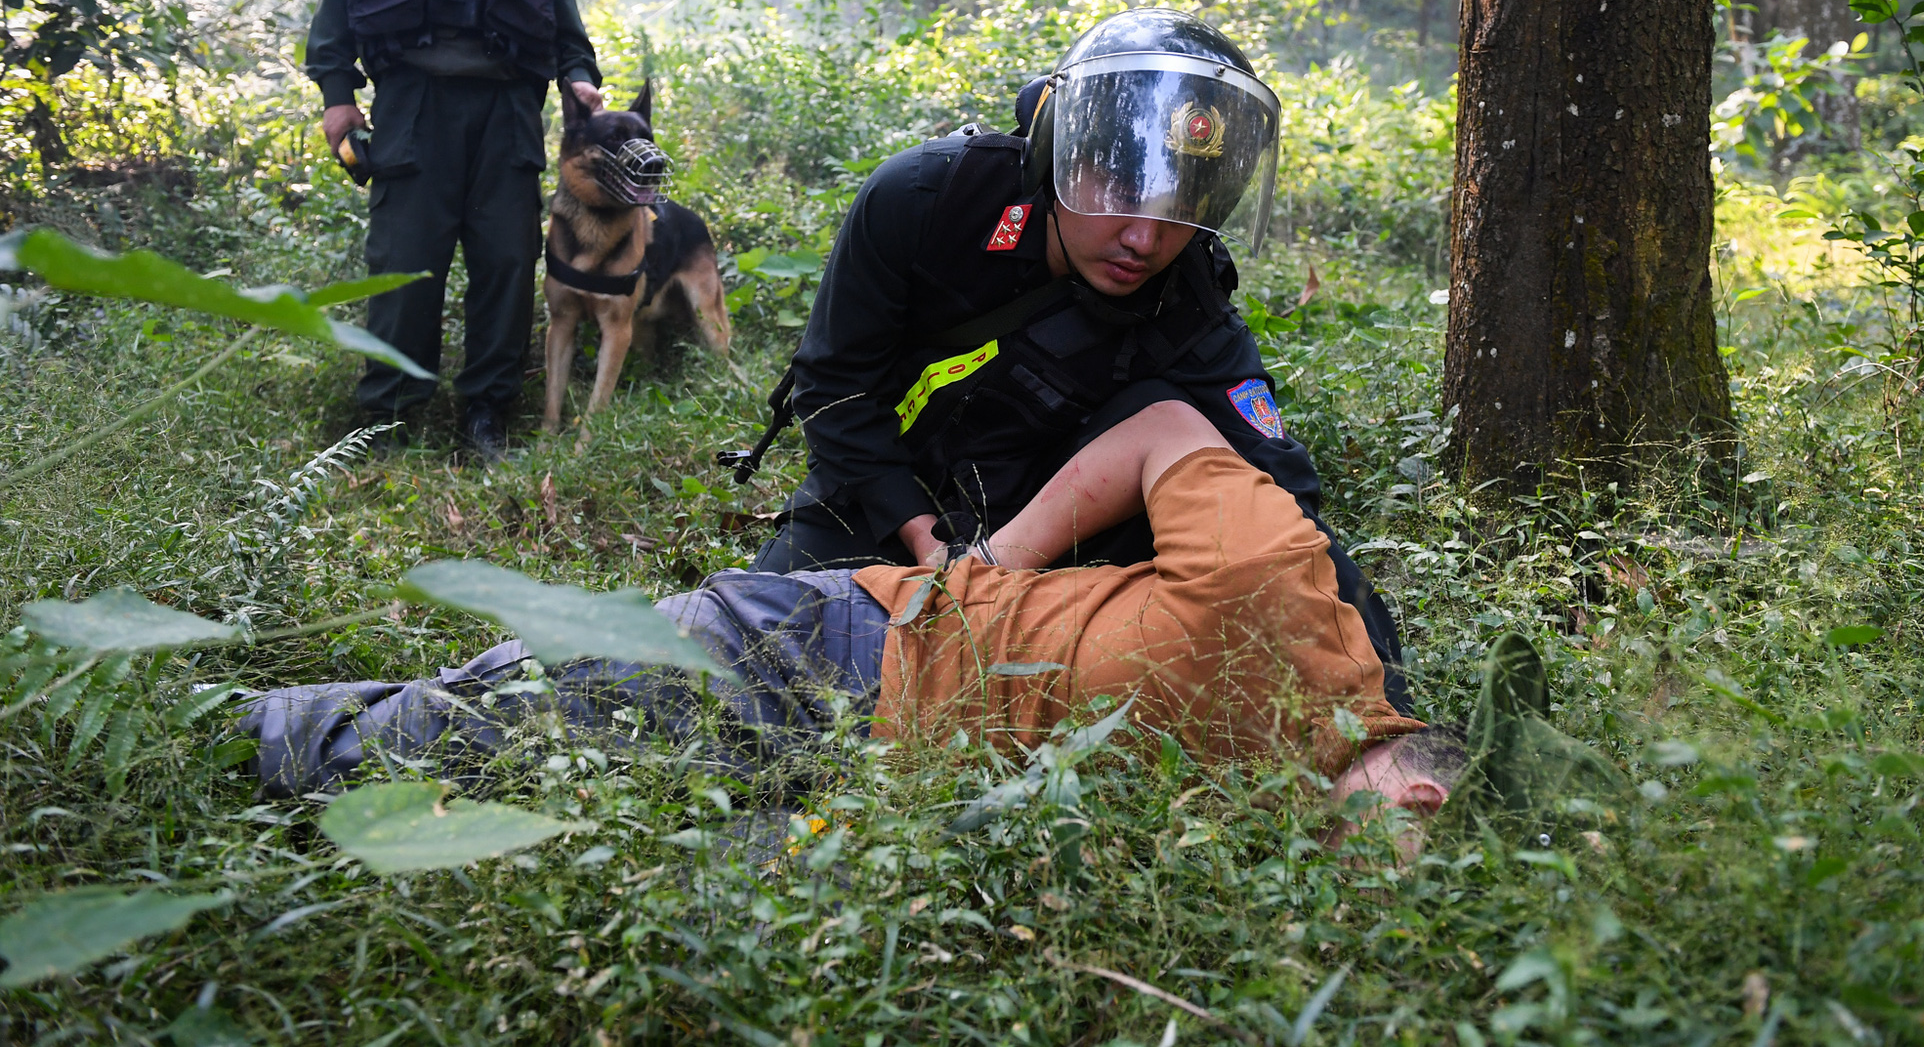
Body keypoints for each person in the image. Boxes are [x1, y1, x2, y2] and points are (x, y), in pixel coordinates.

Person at [241, 401, 1446, 829]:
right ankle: (223, 737)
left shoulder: (1272, 828)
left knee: (572, 843)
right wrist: (985, 565)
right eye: (1402, 870)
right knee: (499, 720)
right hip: (839, 651)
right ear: (1419, 797)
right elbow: (1167, 431)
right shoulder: (1287, 601)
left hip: (870, 805)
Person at [735, 8, 1413, 714]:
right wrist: (924, 540)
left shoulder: (1189, 307)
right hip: (877, 499)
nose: (1144, 238)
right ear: (1055, 155)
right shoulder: (927, 201)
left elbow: (1280, 503)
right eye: (1118, 191)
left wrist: (1378, 700)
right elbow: (835, 386)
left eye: (1179, 205)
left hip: (1040, 540)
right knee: (754, 651)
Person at [305, 0, 603, 461]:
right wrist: (337, 91)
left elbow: (565, 18)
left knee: (504, 265)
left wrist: (581, 79)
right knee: (406, 264)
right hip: (413, 109)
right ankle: (390, 416)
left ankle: (486, 418)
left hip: (506, 113)